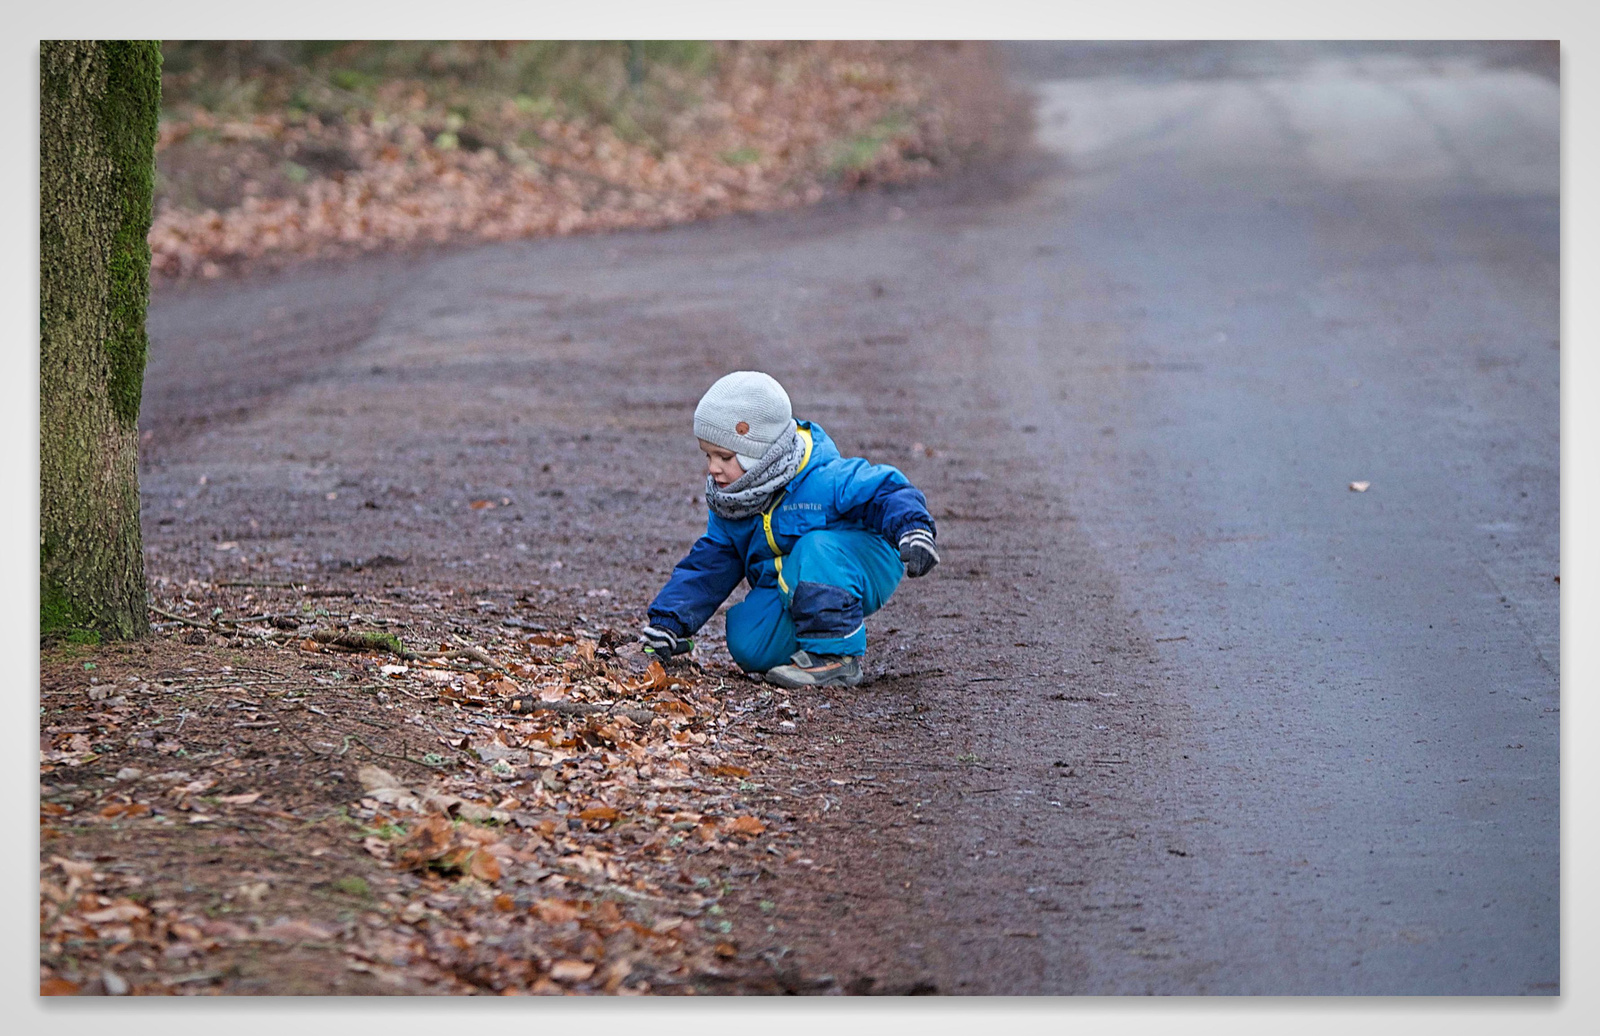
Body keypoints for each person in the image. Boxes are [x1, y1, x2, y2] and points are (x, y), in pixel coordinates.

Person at [640, 371, 939, 688]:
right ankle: (812, 645)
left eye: (725, 457)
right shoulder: (735, 502)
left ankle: (836, 659)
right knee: (749, 644)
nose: (713, 468)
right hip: (794, 584)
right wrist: (670, 622)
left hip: (863, 563)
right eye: (708, 455)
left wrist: (914, 529)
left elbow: (884, 491)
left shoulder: (822, 476)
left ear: (761, 452)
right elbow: (709, 564)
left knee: (815, 548)